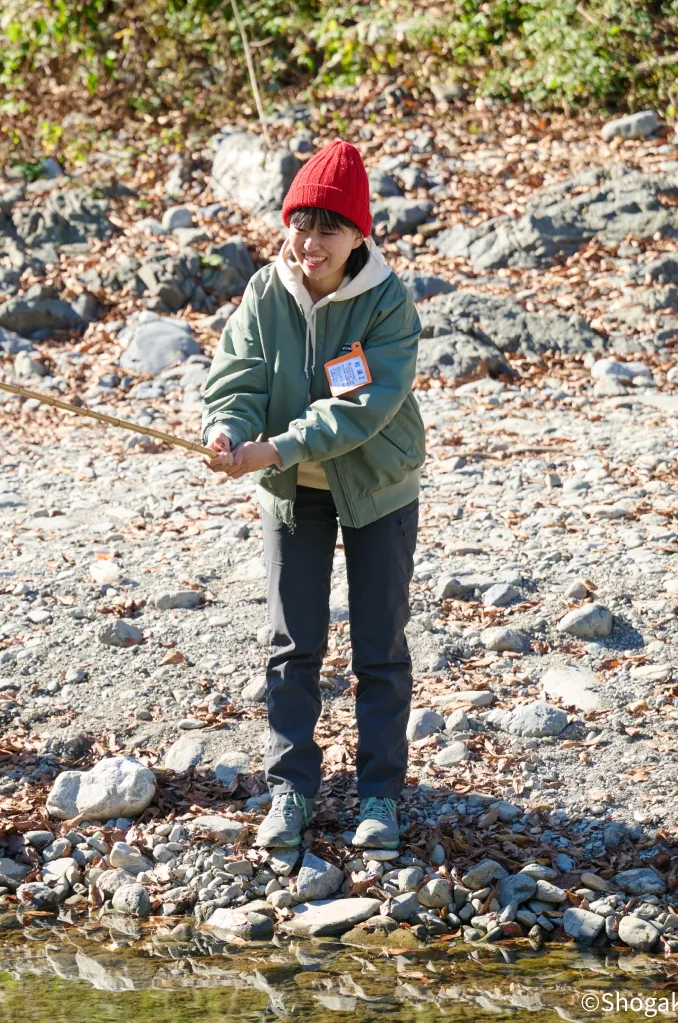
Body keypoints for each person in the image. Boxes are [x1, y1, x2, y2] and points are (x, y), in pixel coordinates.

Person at [199, 140, 425, 850]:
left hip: (377, 490)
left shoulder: (388, 304)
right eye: (301, 223)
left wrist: (277, 447)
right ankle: (290, 791)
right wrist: (226, 430)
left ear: (360, 234)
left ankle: (380, 798)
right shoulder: (267, 290)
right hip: (289, 494)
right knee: (290, 645)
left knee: (379, 649)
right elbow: (234, 375)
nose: (311, 242)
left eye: (329, 227)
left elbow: (359, 408)